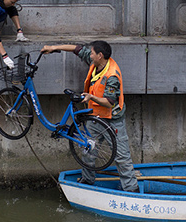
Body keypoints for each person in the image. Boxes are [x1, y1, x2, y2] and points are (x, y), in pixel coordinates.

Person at [41, 41, 139, 192]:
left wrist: (91, 97)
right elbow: (77, 49)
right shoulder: (96, 62)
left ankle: (131, 190)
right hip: (94, 118)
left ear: (100, 56)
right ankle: (87, 181)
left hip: (112, 121)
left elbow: (109, 102)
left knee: (121, 156)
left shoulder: (112, 75)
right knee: (88, 151)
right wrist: (53, 48)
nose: (89, 54)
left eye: (92, 53)